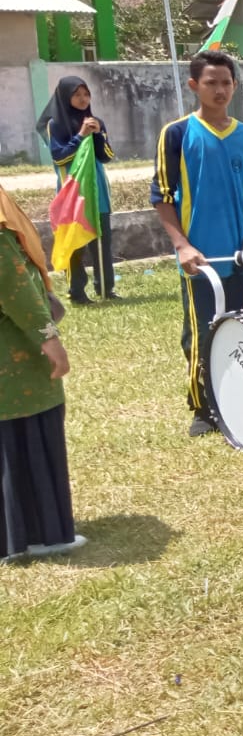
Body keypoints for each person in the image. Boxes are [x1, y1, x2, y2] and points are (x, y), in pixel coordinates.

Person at [151, 51, 243, 437]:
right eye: (211, 83)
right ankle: (204, 407)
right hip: (200, 261)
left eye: (226, 83)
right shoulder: (177, 134)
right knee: (201, 335)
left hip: (240, 258)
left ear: (235, 86)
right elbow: (163, 196)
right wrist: (182, 245)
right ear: (193, 86)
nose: (220, 90)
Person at [0, 181, 80, 561]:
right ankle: (39, 533)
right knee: (24, 431)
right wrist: (49, 338)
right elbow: (12, 283)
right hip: (12, 353)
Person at [37, 76, 116, 304]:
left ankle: (106, 289)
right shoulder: (55, 125)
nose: (83, 99)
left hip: (97, 191)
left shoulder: (95, 121)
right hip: (72, 193)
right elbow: (59, 157)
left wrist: (99, 134)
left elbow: (107, 157)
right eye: (77, 94)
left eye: (86, 94)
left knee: (103, 241)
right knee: (75, 245)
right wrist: (81, 135)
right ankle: (77, 291)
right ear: (64, 97)